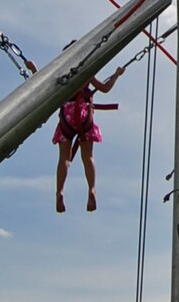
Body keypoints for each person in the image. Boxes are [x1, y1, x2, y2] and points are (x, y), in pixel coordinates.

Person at [53, 63, 126, 213]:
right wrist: (116, 74)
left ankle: (59, 191)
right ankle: (91, 189)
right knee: (88, 157)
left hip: (67, 113)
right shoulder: (87, 73)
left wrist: (32, 68)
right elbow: (105, 88)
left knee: (64, 159)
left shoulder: (62, 75)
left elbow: (42, 85)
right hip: (84, 114)